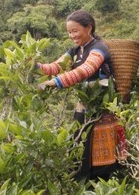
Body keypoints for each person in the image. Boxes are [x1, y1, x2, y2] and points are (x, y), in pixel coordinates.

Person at [36, 10, 126, 180]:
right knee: (79, 147)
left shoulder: (99, 48)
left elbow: (86, 70)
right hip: (83, 108)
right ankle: (82, 186)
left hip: (102, 109)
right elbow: (54, 67)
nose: (72, 35)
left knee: (102, 156)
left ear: (88, 28)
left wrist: (54, 83)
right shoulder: (75, 51)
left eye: (75, 31)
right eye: (69, 32)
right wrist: (33, 64)